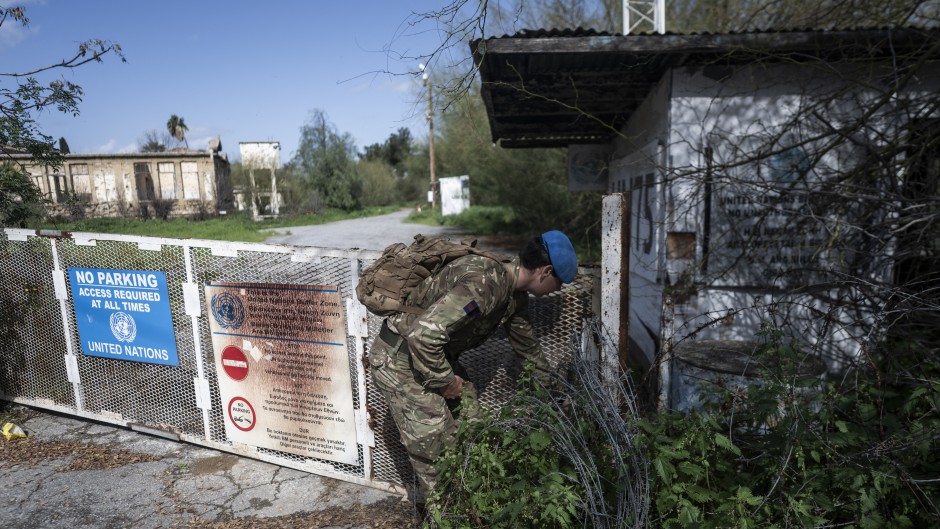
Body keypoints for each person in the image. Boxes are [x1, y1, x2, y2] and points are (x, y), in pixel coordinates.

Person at [367, 230, 578, 502]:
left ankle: (473, 505)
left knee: (474, 428)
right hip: (399, 359)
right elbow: (424, 335)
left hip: (430, 357)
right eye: (559, 283)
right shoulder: (485, 284)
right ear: (546, 272)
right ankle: (443, 514)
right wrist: (446, 382)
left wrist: (555, 395)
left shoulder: (514, 295)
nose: (557, 290)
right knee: (434, 450)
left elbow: (528, 350)